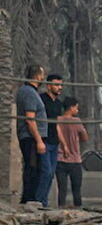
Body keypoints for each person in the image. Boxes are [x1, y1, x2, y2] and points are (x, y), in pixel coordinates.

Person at [16, 65, 47, 205]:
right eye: (42, 74)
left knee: (35, 169)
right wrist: (39, 140)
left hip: (32, 137)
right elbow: (30, 119)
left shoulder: (30, 92)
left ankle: (30, 199)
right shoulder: (28, 92)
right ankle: (29, 200)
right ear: (37, 75)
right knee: (33, 169)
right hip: (31, 138)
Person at [55, 97, 88, 208]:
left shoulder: (57, 120)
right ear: (71, 107)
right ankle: (78, 210)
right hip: (75, 160)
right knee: (76, 189)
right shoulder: (76, 121)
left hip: (60, 159)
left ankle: (60, 209)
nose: (77, 110)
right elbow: (84, 137)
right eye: (76, 108)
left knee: (62, 190)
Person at [36, 73, 64, 207]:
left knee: (51, 174)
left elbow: (58, 124)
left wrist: (62, 144)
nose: (59, 88)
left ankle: (44, 202)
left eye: (60, 85)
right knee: (45, 172)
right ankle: (39, 201)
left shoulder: (58, 104)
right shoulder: (41, 99)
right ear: (48, 86)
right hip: (44, 140)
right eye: (56, 84)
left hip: (54, 143)